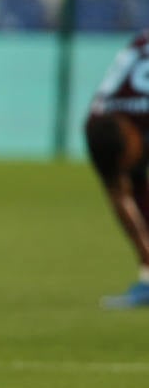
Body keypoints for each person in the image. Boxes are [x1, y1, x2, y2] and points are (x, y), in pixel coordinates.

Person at [85, 29, 149, 308]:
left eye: (129, 156)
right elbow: (118, 195)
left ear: (130, 133)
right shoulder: (96, 126)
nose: (131, 162)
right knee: (135, 190)